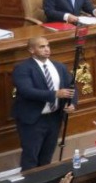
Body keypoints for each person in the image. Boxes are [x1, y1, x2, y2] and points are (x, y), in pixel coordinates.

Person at [11, 36, 76, 171]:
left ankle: (45, 180)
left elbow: (71, 87)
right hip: (34, 119)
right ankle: (29, 182)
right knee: (31, 156)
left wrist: (72, 104)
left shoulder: (59, 66)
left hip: (54, 117)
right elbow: (27, 91)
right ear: (31, 50)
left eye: (48, 46)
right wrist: (54, 94)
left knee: (47, 156)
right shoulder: (23, 68)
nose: (47, 49)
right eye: (42, 47)